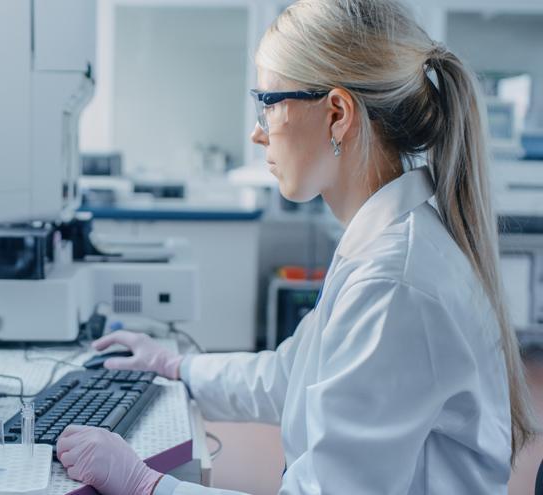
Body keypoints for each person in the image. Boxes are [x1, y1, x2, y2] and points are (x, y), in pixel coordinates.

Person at [54, 0, 536, 493]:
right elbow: (293, 375)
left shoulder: (396, 284)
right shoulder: (384, 243)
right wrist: (175, 367)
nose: (257, 132)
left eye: (268, 102)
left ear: (337, 114)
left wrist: (143, 484)